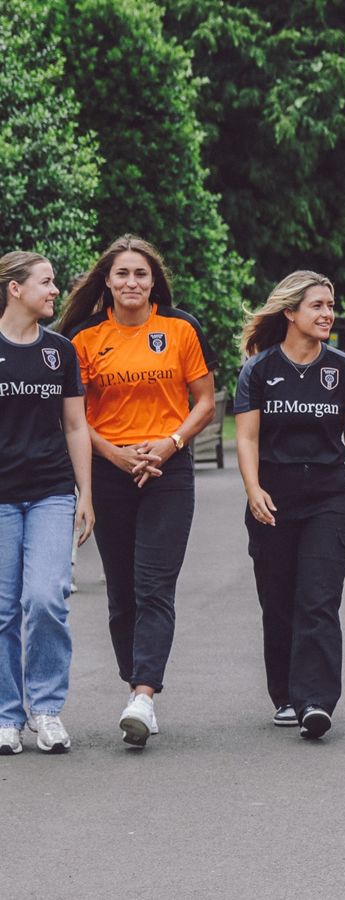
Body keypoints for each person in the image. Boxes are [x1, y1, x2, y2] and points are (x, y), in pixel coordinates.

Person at [58, 235, 216, 748]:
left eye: (141, 274)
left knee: (154, 585)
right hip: (110, 472)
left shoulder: (179, 329)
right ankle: (135, 686)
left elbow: (206, 402)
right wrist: (115, 455)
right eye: (122, 274)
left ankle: (144, 696)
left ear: (154, 281)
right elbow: (74, 417)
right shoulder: (83, 340)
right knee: (122, 592)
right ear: (107, 279)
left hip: (167, 472)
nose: (131, 283)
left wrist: (168, 445)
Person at [234, 271, 345, 740]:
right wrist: (253, 489)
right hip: (273, 496)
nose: (327, 314)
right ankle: (285, 695)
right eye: (317, 306)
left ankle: (315, 700)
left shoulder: (344, 369)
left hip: (328, 497)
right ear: (290, 312)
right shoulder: (259, 369)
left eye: (330, 306)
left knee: (318, 598)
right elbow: (247, 437)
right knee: (278, 599)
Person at [0, 253, 94, 755]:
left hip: (52, 493)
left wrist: (86, 494)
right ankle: (6, 716)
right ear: (15, 289)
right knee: (1, 611)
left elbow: (76, 426)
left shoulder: (60, 352)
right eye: (46, 282)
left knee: (46, 599)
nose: (55, 290)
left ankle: (47, 710)